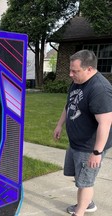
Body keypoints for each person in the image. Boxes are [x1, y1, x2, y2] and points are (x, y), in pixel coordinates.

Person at [54, 50, 112, 216]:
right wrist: (59, 125)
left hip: (89, 146)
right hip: (76, 143)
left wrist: (97, 152)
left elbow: (106, 123)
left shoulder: (100, 89)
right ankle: (87, 202)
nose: (71, 74)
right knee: (80, 178)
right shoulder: (78, 82)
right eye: (70, 70)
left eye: (75, 71)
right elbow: (69, 104)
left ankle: (80, 212)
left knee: (85, 182)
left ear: (89, 69)